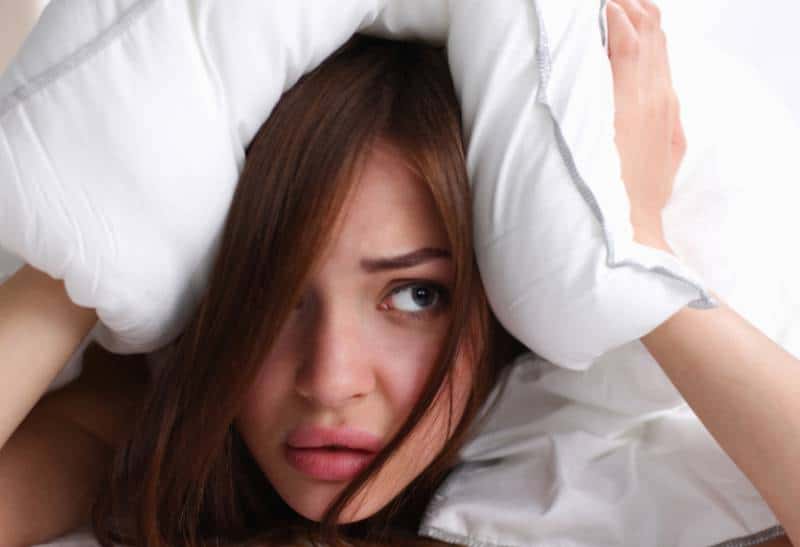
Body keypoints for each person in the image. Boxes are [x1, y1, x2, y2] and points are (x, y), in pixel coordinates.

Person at [0, 1, 796, 546]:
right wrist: (86, 239)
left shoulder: (606, 458)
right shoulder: (150, 439)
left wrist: (627, 258)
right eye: (275, 296)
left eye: (415, 295)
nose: (330, 379)